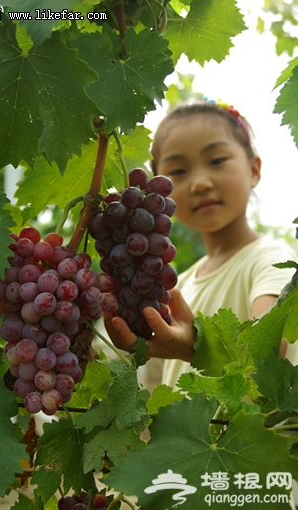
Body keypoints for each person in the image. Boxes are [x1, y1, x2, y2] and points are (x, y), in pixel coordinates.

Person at [104, 100, 298, 388]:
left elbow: (267, 354)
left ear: (254, 170)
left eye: (217, 160)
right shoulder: (178, 282)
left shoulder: (268, 259)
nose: (199, 183)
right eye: (179, 171)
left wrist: (194, 348)